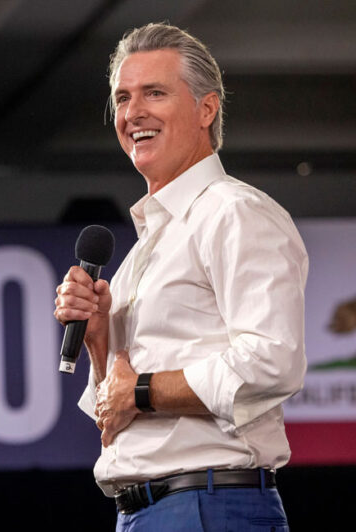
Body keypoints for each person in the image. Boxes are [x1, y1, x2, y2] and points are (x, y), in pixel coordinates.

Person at [53, 23, 308, 530]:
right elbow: (114, 413)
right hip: (148, 510)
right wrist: (100, 341)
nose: (133, 113)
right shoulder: (146, 248)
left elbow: (273, 360)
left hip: (207, 506)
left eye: (155, 93)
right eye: (123, 98)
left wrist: (142, 389)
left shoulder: (235, 213)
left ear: (206, 109)